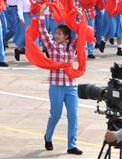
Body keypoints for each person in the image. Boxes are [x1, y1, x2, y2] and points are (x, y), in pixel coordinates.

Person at [39, 24, 83, 155]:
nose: (56, 35)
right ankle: (48, 136)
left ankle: (72, 145)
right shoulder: (52, 46)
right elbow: (43, 33)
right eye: (56, 33)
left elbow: (82, 34)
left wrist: (80, 19)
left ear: (66, 36)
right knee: (56, 114)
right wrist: (41, 16)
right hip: (56, 85)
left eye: (59, 33)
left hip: (71, 85)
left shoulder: (72, 46)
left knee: (73, 115)